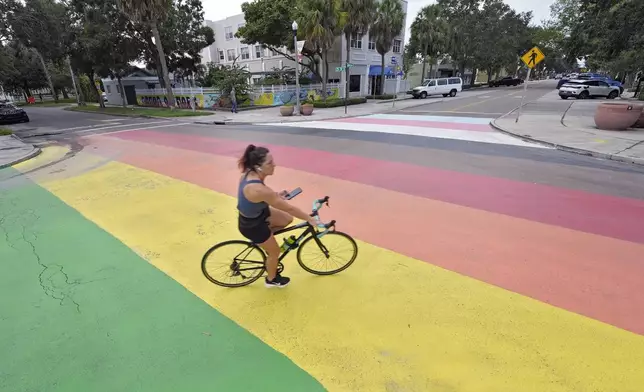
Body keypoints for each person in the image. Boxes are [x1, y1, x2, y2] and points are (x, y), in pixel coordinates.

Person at [237, 144, 318, 288]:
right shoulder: (257, 188)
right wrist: (309, 218)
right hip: (252, 225)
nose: (274, 165)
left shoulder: (250, 173)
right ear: (258, 167)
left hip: (259, 213)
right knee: (275, 252)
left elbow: (264, 195)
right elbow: (289, 207)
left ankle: (265, 241)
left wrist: (276, 195)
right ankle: (271, 280)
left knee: (287, 219)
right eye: (270, 163)